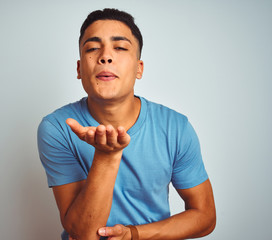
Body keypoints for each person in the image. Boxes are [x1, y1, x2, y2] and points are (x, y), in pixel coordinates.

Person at [37, 8, 216, 240]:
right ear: (80, 69)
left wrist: (133, 234)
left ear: (139, 68)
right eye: (92, 48)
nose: (105, 56)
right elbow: (82, 233)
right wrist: (106, 156)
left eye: (120, 48)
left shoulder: (175, 127)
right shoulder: (58, 127)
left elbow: (205, 216)